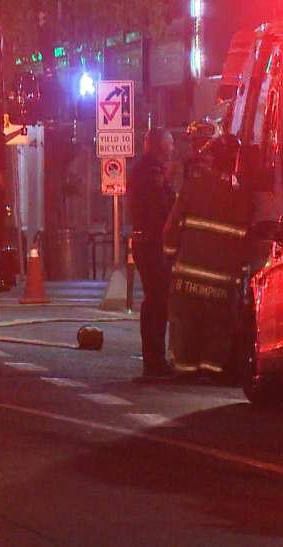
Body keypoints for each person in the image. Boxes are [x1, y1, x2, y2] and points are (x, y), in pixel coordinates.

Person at [128, 127, 177, 379]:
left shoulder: (144, 170)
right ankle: (154, 361)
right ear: (159, 145)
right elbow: (161, 207)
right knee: (157, 300)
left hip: (148, 242)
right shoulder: (150, 173)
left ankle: (155, 359)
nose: (173, 149)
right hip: (151, 243)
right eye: (169, 144)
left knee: (158, 300)